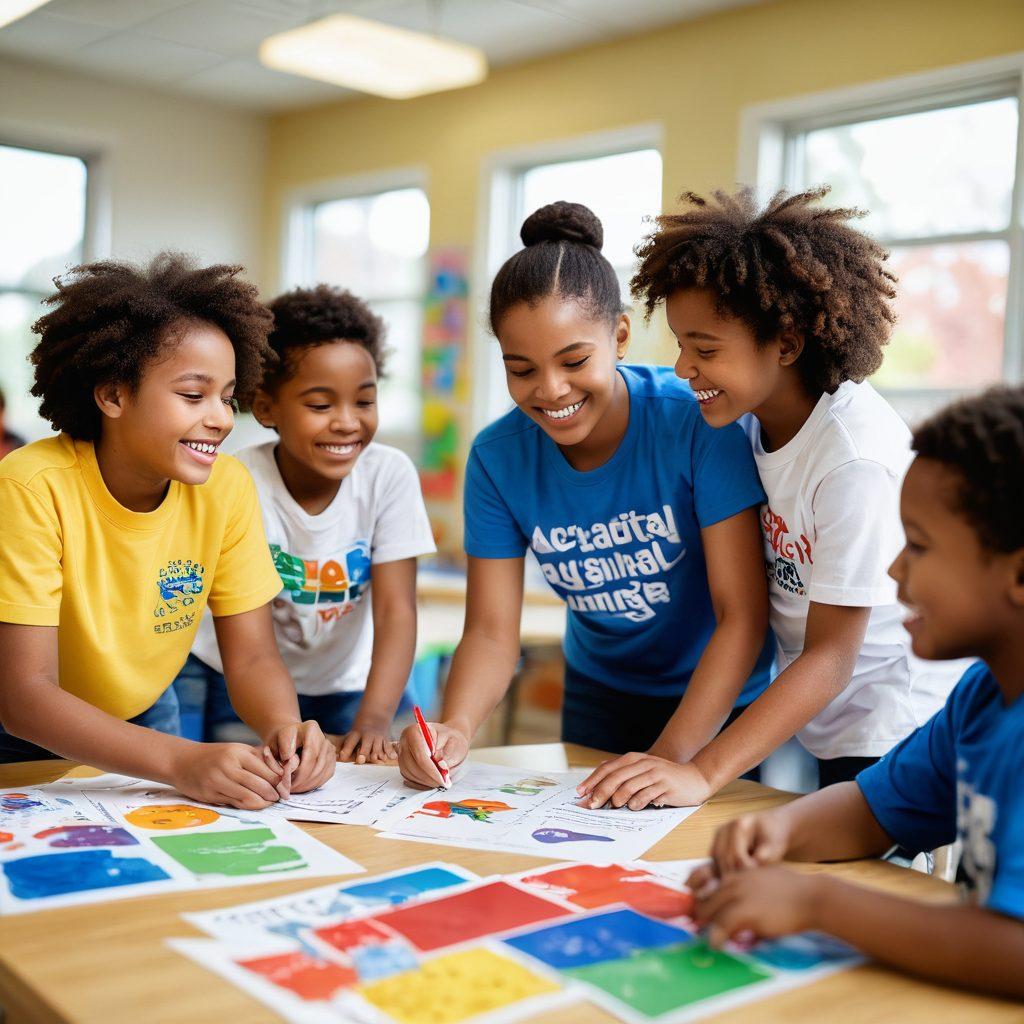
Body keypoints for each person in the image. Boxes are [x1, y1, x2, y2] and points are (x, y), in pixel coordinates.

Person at [581, 187, 962, 809]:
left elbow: (833, 656)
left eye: (705, 350)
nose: (683, 368)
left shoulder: (853, 460)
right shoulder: (750, 420)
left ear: (786, 343)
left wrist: (702, 773)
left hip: (897, 726)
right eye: (680, 343)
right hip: (832, 722)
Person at [400, 201, 772, 794]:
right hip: (600, 691)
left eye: (574, 361)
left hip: (718, 699)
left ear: (620, 336)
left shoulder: (696, 423)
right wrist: (457, 727)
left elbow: (743, 616)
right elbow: (493, 631)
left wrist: (674, 758)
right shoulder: (497, 458)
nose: (550, 390)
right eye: (521, 369)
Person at [687, 386, 1024, 998]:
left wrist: (819, 901)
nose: (893, 571)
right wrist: (781, 832)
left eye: (916, 546)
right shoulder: (982, 697)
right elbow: (874, 809)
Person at [0, 254, 335, 808]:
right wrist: (179, 759)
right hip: (19, 736)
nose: (223, 418)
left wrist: (287, 727)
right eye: (192, 395)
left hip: (147, 714)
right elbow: (24, 694)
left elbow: (251, 657)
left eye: (228, 397)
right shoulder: (30, 487)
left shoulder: (225, 487)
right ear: (113, 395)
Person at [183, 284, 435, 762]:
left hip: (349, 681)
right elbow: (247, 647)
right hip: (228, 674)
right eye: (321, 406)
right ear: (266, 407)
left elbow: (397, 610)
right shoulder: (236, 482)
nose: (346, 422)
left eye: (364, 401)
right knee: (238, 784)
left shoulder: (389, 475)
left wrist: (374, 719)